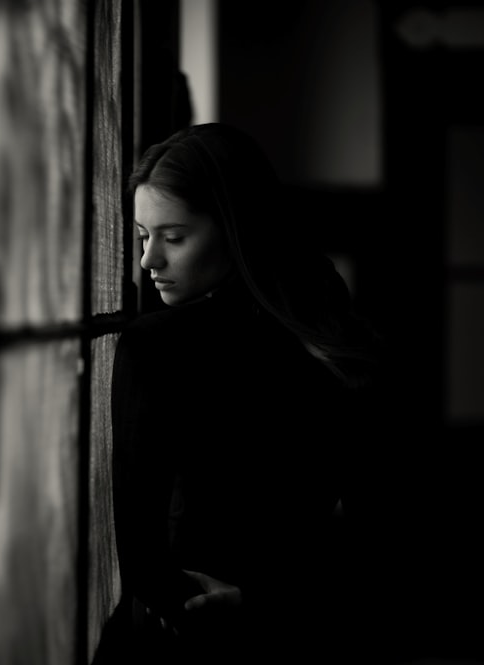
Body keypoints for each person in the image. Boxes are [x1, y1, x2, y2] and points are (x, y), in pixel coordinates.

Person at [108, 122, 386, 664]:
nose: (148, 261)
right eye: (143, 235)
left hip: (200, 639)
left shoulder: (155, 346)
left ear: (236, 228)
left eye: (174, 236)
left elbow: (141, 559)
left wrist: (234, 608)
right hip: (319, 630)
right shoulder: (328, 330)